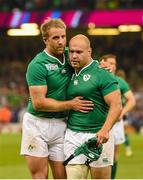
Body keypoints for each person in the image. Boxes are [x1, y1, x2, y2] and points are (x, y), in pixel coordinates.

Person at [20, 18, 94, 179]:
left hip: (61, 124)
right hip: (36, 124)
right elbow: (39, 103)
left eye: (63, 36)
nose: (61, 42)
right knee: (40, 175)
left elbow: (91, 65)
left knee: (63, 176)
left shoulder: (70, 55)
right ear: (45, 40)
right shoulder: (37, 65)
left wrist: (102, 66)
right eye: (55, 38)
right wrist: (71, 105)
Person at [64, 34, 122, 179]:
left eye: (79, 52)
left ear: (89, 52)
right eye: (71, 52)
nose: (74, 56)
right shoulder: (69, 68)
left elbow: (116, 106)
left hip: (98, 136)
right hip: (73, 134)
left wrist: (105, 130)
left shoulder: (103, 74)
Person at [99, 54, 136, 179]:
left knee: (113, 155)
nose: (112, 66)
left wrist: (122, 112)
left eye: (114, 64)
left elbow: (131, 100)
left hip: (115, 123)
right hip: (99, 121)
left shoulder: (120, 81)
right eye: (109, 63)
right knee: (97, 154)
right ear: (102, 63)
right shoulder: (96, 78)